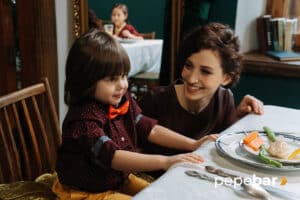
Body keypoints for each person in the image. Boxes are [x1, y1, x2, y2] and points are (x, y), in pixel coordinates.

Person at [52, 29, 211, 199]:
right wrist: (165, 162)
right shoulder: (84, 119)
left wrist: (193, 144)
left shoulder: (120, 99)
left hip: (115, 179)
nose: (122, 85)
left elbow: (150, 129)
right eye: (112, 79)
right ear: (86, 80)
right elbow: (113, 156)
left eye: (124, 76)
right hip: (84, 192)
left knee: (165, 193)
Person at [139, 23, 264, 157]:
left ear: (226, 78)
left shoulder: (225, 99)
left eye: (205, 71)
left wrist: (238, 117)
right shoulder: (155, 100)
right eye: (188, 65)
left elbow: (226, 148)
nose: (192, 79)